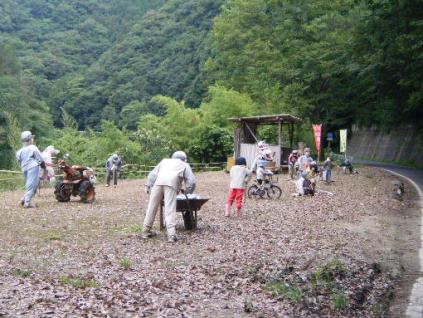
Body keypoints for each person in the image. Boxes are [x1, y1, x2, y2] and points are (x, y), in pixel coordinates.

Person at [142, 151, 196, 243]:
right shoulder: (184, 164)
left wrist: (148, 185)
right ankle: (171, 235)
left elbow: (153, 174)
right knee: (169, 208)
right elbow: (191, 182)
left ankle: (145, 231)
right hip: (171, 185)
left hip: (158, 183)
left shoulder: (164, 161)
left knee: (152, 207)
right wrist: (187, 191)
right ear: (184, 159)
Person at [16, 131, 46, 208]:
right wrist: (44, 167)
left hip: (24, 168)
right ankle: (27, 203)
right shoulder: (33, 148)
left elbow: (19, 161)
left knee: (30, 185)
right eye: (31, 138)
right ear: (29, 139)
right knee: (32, 185)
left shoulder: (19, 151)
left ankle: (23, 200)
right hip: (33, 167)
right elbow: (40, 159)